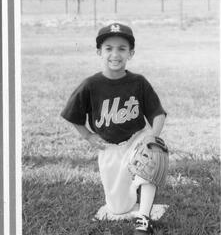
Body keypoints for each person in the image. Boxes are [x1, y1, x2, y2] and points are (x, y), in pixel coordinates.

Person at [61, 23, 168, 235]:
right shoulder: (91, 84)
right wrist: (88, 136)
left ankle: (144, 218)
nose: (115, 54)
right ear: (99, 52)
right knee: (119, 208)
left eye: (122, 48)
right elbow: (72, 114)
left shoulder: (138, 82)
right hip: (108, 147)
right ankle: (132, 194)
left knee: (151, 158)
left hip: (136, 139)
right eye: (109, 48)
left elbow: (158, 114)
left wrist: (152, 138)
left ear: (131, 53)